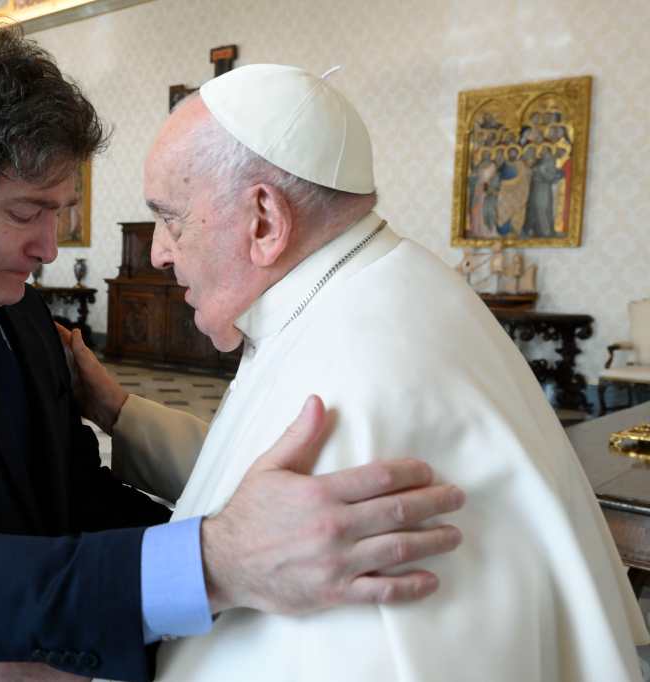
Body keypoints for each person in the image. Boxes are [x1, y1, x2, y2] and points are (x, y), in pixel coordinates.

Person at [0, 28, 466, 682]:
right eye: (27, 212)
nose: (50, 248)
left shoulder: (19, 308)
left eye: (59, 213)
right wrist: (214, 562)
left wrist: (257, 559)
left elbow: (77, 496)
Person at [59, 64, 650, 681]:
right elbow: (250, 484)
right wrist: (118, 412)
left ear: (264, 220)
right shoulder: (376, 285)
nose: (158, 250)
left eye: (171, 218)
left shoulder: (363, 364)